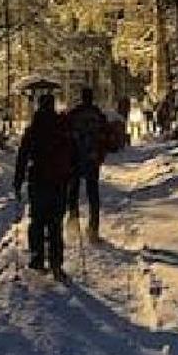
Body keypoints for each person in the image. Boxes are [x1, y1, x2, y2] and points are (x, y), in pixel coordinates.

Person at [13, 92, 74, 281]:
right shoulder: (62, 127)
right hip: (59, 182)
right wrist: (73, 177)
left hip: (38, 181)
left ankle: (38, 257)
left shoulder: (33, 129)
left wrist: (18, 180)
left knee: (37, 220)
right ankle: (56, 262)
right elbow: (72, 153)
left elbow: (23, 156)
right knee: (55, 223)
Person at [66, 86, 109, 243]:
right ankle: (93, 230)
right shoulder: (98, 115)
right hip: (92, 160)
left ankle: (73, 224)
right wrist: (100, 155)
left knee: (73, 193)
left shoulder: (74, 114)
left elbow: (66, 135)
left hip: (75, 160)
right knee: (93, 195)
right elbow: (105, 136)